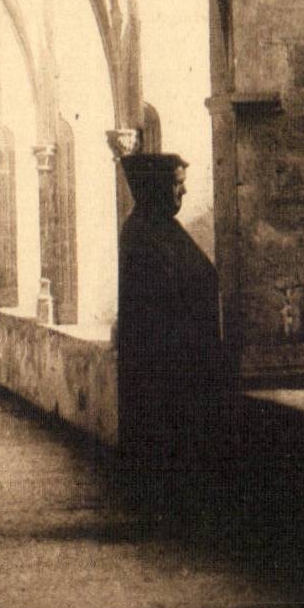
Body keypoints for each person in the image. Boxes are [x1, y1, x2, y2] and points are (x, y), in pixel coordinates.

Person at [116, 153, 230, 463]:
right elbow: (159, 305)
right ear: (157, 187)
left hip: (180, 364)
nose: (184, 192)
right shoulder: (143, 234)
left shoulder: (163, 229)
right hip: (165, 368)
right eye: (177, 184)